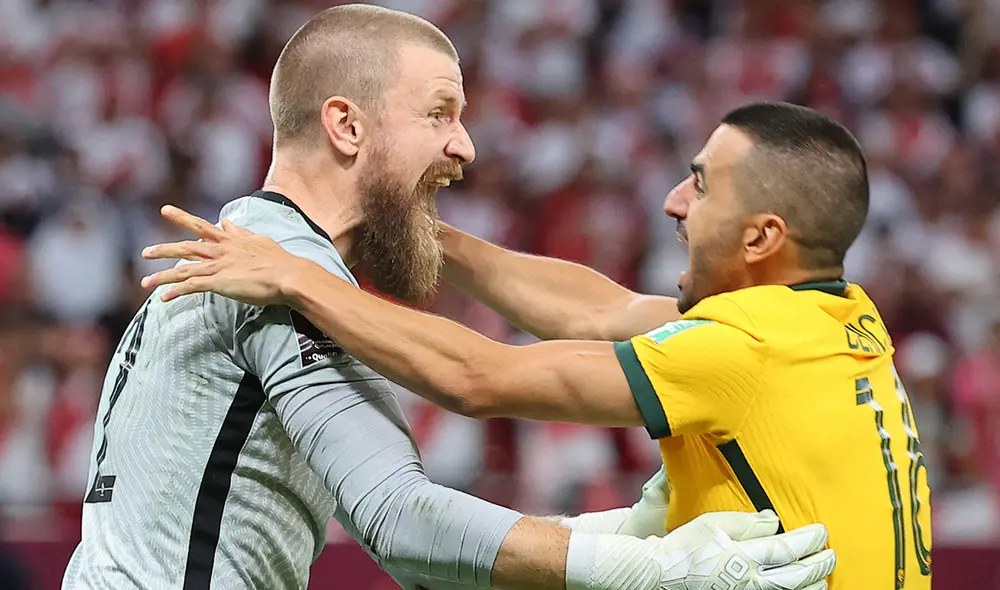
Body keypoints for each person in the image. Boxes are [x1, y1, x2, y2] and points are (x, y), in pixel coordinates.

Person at [62, 6, 836, 590]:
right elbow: (401, 519)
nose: (465, 145)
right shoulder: (279, 273)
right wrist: (648, 567)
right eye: (439, 113)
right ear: (346, 126)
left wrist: (626, 531)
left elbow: (426, 542)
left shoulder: (265, 254)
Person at [141, 101, 930, 590]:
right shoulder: (832, 322)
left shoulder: (738, 352)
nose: (672, 202)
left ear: (762, 238)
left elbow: (477, 377)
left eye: (700, 183)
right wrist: (424, 235)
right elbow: (599, 309)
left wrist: (295, 276)